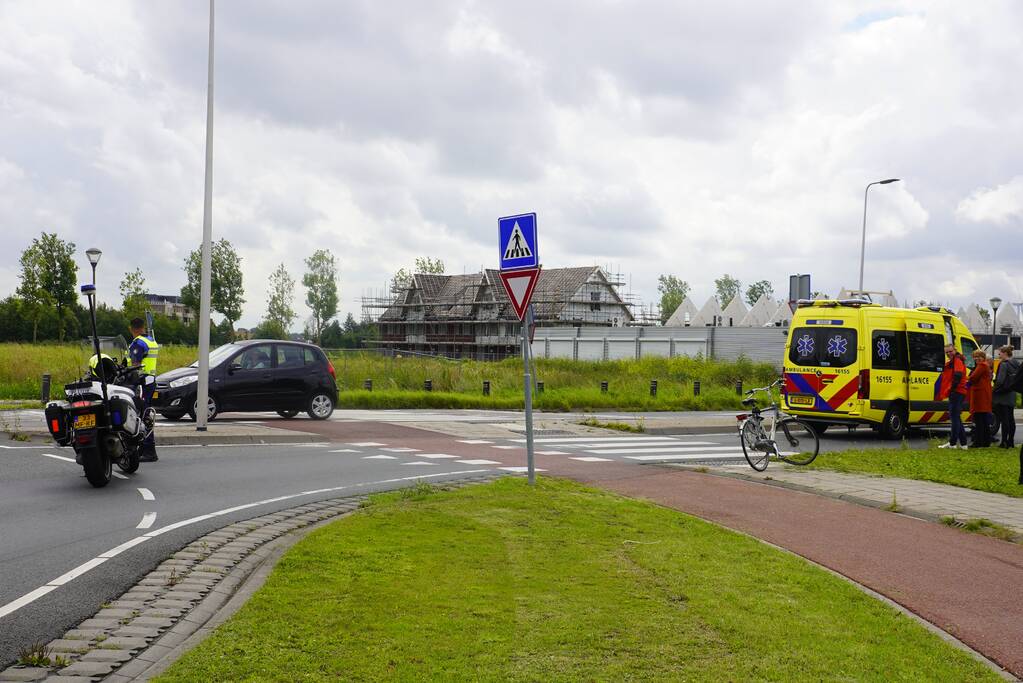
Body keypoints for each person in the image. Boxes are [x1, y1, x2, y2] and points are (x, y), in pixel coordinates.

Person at [127, 317, 160, 462]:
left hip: (140, 383)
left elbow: (135, 365)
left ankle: (148, 450)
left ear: (131, 329)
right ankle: (143, 449)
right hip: (150, 381)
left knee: (142, 415)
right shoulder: (151, 340)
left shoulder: (138, 343)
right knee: (146, 414)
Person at [939, 344, 969, 449]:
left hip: (957, 391)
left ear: (954, 350)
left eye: (950, 351)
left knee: (954, 417)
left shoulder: (957, 361)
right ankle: (964, 444)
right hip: (958, 391)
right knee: (956, 418)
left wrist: (951, 389)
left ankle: (952, 443)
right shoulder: (955, 361)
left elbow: (957, 375)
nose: (948, 354)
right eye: (946, 352)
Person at [993, 345, 1019, 449]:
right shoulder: (1016, 363)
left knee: (1004, 419)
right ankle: (1011, 441)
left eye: (1000, 353)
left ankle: (1004, 441)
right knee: (1011, 419)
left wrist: (994, 388)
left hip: (1002, 394)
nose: (999, 355)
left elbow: (1000, 380)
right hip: (1012, 393)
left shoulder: (1004, 364)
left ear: (1005, 353)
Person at [967, 349, 993, 448]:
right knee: (983, 420)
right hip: (983, 394)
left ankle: (978, 442)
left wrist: (967, 379)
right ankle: (986, 441)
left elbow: (973, 377)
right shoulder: (986, 365)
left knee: (979, 419)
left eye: (979, 356)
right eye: (975, 356)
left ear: (983, 357)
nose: (976, 358)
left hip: (980, 395)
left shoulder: (981, 365)